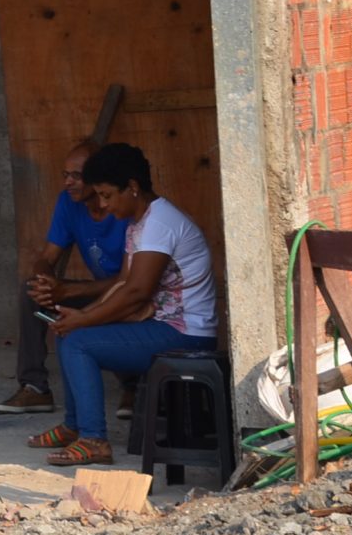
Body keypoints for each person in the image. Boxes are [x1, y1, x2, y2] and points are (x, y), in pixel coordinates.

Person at [28, 141, 219, 467]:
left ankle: (94, 440)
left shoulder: (159, 224)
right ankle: (75, 427)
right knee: (66, 332)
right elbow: (122, 284)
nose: (103, 204)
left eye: (106, 195)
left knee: (78, 343)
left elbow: (136, 294)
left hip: (186, 333)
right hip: (161, 324)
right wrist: (80, 315)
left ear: (131, 188)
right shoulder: (140, 223)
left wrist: (84, 320)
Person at [0, 141, 125, 416]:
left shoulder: (123, 206)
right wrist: (44, 280)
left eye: (76, 176)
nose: (68, 182)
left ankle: (135, 389)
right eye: (65, 175)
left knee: (124, 306)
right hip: (98, 290)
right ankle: (35, 388)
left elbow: (133, 281)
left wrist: (66, 291)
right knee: (31, 291)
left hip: (129, 290)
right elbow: (48, 255)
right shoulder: (68, 203)